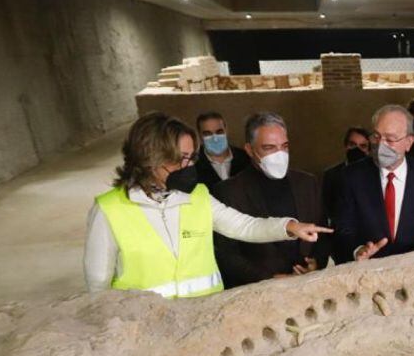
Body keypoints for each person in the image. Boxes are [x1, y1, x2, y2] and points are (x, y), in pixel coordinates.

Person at [83, 112, 329, 297]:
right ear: (149, 158)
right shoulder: (109, 210)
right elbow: (98, 285)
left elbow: (243, 226)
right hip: (143, 327)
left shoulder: (197, 196)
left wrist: (288, 227)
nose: (188, 167)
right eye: (180, 159)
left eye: (191, 158)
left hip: (204, 317)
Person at [211, 112, 329, 286]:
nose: (279, 154)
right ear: (250, 150)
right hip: (258, 293)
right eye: (269, 148)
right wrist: (266, 279)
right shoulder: (228, 191)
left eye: (284, 146)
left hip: (307, 285)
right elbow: (226, 254)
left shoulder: (307, 183)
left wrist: (317, 264)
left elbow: (322, 230)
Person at [335, 104, 414, 262]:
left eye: (390, 139)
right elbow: (342, 229)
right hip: (369, 271)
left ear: (409, 142)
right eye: (377, 137)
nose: (381, 146)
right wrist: (358, 250)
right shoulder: (352, 176)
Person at [321, 127, 371, 234]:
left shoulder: (376, 174)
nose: (357, 149)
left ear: (368, 150)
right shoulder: (331, 175)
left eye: (363, 146)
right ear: (345, 146)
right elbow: (326, 209)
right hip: (339, 233)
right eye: (352, 144)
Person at [193, 111, 250, 190]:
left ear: (226, 130)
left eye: (219, 132)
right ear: (199, 135)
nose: (215, 138)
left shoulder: (246, 158)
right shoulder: (193, 163)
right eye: (208, 133)